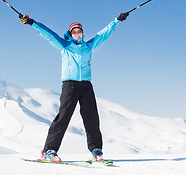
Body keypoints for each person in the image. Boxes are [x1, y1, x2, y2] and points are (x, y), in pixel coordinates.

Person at [20, 12, 129, 162]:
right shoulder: (65, 45)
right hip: (69, 84)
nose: (77, 33)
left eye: (79, 31)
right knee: (63, 116)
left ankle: (96, 150)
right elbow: (50, 35)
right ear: (71, 34)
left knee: (91, 117)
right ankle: (49, 151)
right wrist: (32, 23)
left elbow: (103, 34)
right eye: (74, 32)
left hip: (86, 85)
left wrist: (116, 21)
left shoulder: (88, 46)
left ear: (82, 33)